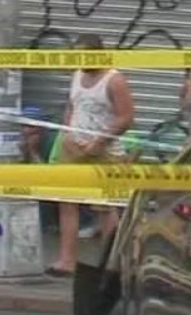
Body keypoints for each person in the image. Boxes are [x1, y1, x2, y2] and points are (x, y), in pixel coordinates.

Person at [48, 33, 135, 276]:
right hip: (73, 147)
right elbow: (71, 106)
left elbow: (126, 117)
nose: (81, 60)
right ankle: (67, 260)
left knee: (106, 208)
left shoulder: (114, 80)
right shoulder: (77, 74)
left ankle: (111, 263)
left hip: (105, 151)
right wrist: (67, 134)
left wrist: (100, 141)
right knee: (67, 203)